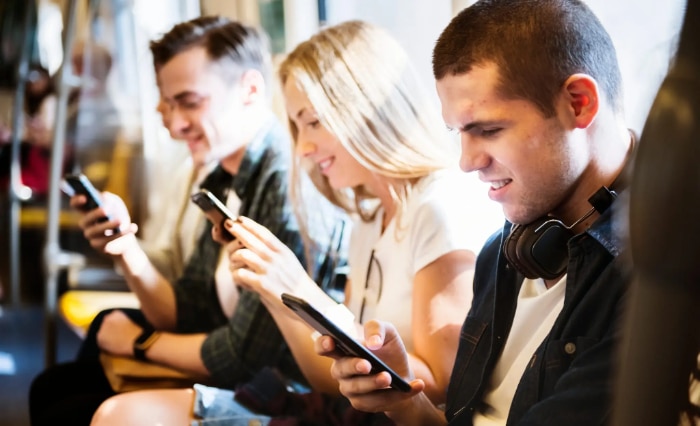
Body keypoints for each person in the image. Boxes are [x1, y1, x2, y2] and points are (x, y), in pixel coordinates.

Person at [88, 19, 503, 425]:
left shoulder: (437, 207)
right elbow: (328, 379)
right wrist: (272, 291)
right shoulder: (369, 217)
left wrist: (300, 287)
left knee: (116, 413)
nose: (303, 148)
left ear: (366, 108)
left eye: (314, 122)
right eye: (296, 126)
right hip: (344, 411)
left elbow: (439, 388)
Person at [317, 1, 636, 425]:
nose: (466, 161)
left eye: (487, 130)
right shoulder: (504, 251)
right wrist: (402, 399)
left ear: (578, 104)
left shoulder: (659, 273)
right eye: (459, 133)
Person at [28, 16, 348, 425]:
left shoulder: (285, 185)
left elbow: (244, 357)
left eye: (190, 102)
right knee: (54, 386)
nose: (175, 124)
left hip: (280, 389)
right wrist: (125, 248)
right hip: (244, 371)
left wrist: (142, 343)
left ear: (250, 90)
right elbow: (188, 309)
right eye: (168, 103)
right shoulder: (221, 175)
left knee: (67, 404)